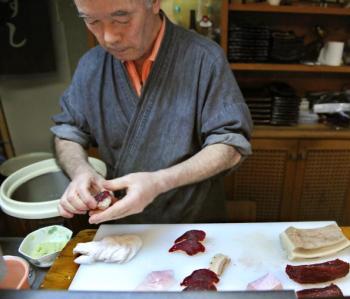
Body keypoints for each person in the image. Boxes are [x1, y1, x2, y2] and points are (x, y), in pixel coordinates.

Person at [51, 0, 253, 225]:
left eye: (121, 18)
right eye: (92, 20)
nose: (108, 37)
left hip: (192, 223)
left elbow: (231, 143)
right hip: (122, 226)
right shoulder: (91, 65)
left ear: (155, 2)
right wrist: (80, 171)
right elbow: (68, 131)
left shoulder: (205, 58)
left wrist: (160, 182)